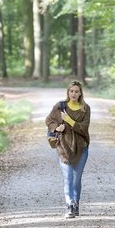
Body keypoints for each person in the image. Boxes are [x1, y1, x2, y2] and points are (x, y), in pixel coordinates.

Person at [45, 80, 91, 219]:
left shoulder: (85, 108)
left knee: (76, 179)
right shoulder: (60, 106)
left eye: (76, 91)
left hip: (81, 148)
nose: (74, 94)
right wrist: (56, 127)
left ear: (80, 93)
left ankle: (76, 203)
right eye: (71, 91)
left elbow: (84, 128)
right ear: (68, 92)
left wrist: (69, 120)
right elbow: (49, 120)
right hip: (63, 147)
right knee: (67, 178)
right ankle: (70, 205)